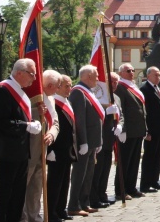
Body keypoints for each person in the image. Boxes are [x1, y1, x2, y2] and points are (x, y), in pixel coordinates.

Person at [0, 58, 42, 222]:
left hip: (20, 151)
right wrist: (25, 125)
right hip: (6, 151)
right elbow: (0, 122)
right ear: (19, 73)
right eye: (31, 74)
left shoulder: (20, 91)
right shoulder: (3, 90)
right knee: (5, 194)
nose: (33, 79)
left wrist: (31, 124)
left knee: (18, 196)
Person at [21, 70, 60, 222]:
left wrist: (52, 134)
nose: (57, 90)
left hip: (43, 148)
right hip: (29, 147)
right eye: (56, 86)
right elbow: (23, 115)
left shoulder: (51, 99)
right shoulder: (31, 95)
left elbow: (55, 122)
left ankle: (34, 216)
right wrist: (36, 111)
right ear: (49, 85)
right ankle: (22, 217)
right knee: (24, 185)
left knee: (37, 187)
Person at [68, 65, 104, 217]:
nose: (97, 78)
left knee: (88, 174)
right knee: (79, 174)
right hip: (85, 141)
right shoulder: (78, 92)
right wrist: (82, 141)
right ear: (88, 76)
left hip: (92, 141)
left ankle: (84, 202)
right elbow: (80, 120)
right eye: (95, 75)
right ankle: (73, 205)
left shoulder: (88, 91)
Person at [113, 63, 147, 199]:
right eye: (128, 70)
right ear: (121, 73)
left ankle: (131, 187)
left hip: (138, 130)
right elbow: (122, 110)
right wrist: (123, 129)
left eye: (133, 70)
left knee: (134, 161)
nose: (131, 72)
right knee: (125, 162)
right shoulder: (120, 87)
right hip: (128, 131)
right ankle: (121, 190)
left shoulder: (133, 85)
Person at [46, 75, 77, 222]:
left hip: (67, 149)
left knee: (65, 182)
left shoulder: (66, 101)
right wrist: (49, 149)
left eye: (70, 86)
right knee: (54, 183)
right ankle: (51, 212)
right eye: (66, 86)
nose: (69, 89)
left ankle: (60, 209)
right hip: (57, 149)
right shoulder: (54, 103)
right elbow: (52, 125)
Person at [89, 72, 122, 209]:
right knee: (97, 170)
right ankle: (94, 197)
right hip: (100, 137)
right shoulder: (99, 96)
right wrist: (105, 110)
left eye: (116, 82)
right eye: (112, 82)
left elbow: (121, 114)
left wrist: (120, 125)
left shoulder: (117, 98)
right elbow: (93, 113)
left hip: (110, 138)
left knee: (106, 169)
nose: (114, 84)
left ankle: (102, 194)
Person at [139, 67, 160, 192]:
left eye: (159, 75)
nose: (158, 77)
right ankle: (145, 184)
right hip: (151, 130)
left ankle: (154, 181)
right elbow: (145, 113)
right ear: (148, 75)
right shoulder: (144, 89)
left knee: (158, 156)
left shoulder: (159, 89)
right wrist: (146, 131)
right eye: (155, 75)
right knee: (149, 157)